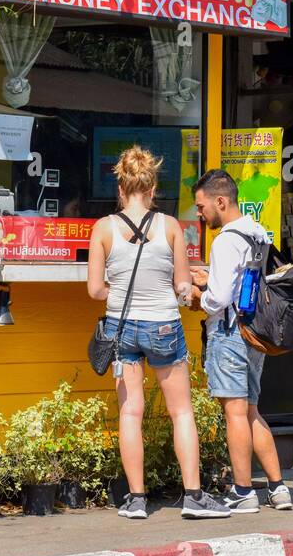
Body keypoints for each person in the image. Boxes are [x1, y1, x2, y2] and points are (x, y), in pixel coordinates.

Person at [87, 146, 230, 521]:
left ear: (121, 189)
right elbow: (182, 285)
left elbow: (94, 290)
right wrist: (189, 288)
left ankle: (135, 500)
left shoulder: (102, 229)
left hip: (121, 327)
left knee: (130, 413)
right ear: (152, 190)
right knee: (181, 411)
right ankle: (195, 497)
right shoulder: (170, 227)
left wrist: (116, 293)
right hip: (164, 325)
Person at [189, 169, 292, 512]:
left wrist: (196, 295)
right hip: (254, 333)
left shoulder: (225, 240)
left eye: (202, 207)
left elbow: (218, 299)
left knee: (235, 412)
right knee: (250, 411)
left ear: (221, 201)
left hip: (230, 332)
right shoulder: (257, 232)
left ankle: (243, 491)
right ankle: (278, 488)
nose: (200, 215)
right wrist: (212, 281)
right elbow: (239, 283)